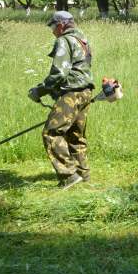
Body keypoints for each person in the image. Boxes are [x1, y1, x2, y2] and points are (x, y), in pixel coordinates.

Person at [28, 11, 95, 189]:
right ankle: (83, 174)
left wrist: (40, 90)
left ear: (61, 25)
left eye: (52, 26)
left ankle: (69, 175)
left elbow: (59, 72)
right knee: (75, 135)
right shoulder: (83, 40)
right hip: (85, 92)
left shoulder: (64, 40)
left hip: (71, 94)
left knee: (51, 133)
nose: (52, 31)